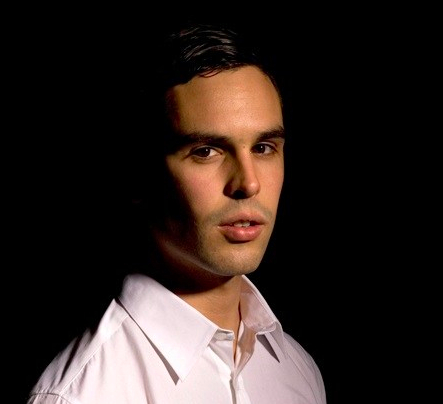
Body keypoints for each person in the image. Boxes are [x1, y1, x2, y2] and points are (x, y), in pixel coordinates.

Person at [28, 19, 326, 404]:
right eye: (206, 151)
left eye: (263, 148)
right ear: (139, 175)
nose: (249, 183)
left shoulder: (298, 372)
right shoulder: (83, 394)